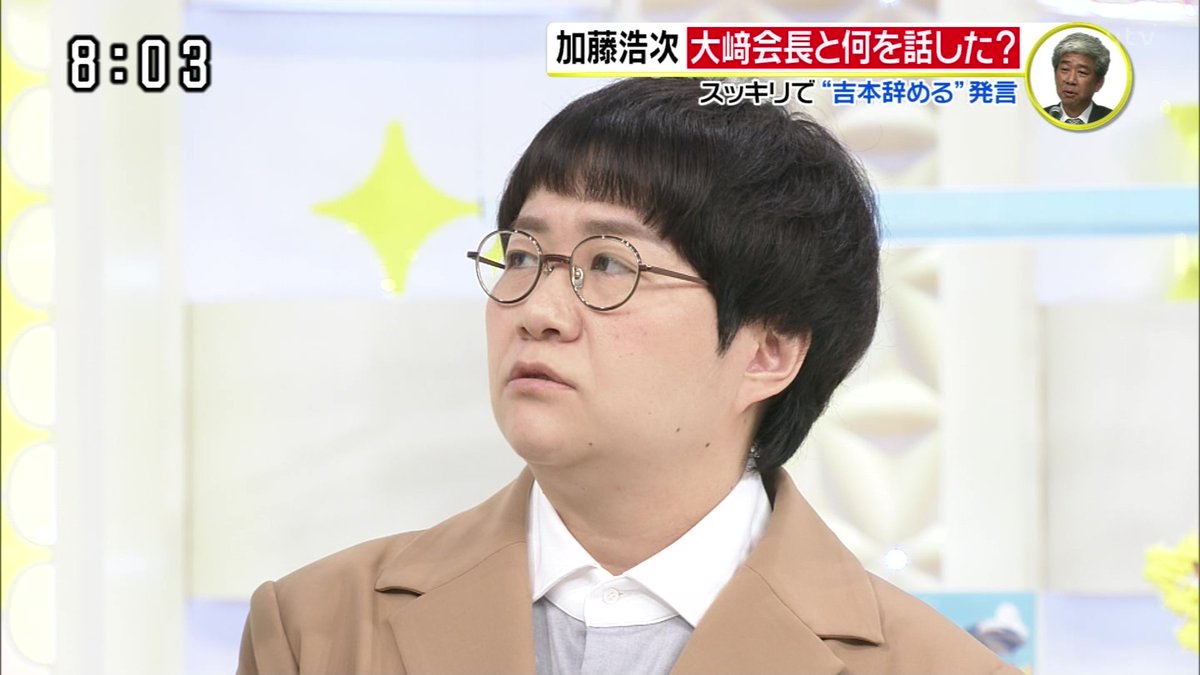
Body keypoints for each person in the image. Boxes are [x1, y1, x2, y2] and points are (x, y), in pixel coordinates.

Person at [237, 78, 1020, 675]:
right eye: (522, 255)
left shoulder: (934, 665)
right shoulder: (319, 627)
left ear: (768, 352)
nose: (537, 309)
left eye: (609, 264)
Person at [1042, 32, 1114, 125]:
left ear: (1099, 83)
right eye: (1065, 69)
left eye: (1082, 72)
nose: (1070, 80)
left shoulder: (1113, 120)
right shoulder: (1039, 118)